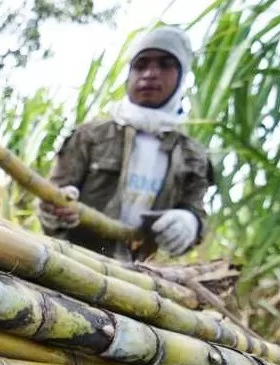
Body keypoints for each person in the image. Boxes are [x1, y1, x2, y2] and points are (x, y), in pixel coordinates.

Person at [37, 25, 214, 262]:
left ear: (182, 75)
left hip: (136, 278)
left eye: (164, 64)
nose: (150, 74)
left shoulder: (193, 156)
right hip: (74, 263)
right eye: (141, 65)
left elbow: (196, 212)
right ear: (129, 74)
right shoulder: (91, 135)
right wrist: (56, 209)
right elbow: (50, 200)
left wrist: (189, 223)